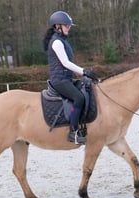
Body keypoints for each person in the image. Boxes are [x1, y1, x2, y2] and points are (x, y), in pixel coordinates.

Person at [43, 11, 98, 145]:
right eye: (67, 26)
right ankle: (73, 132)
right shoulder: (57, 42)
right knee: (78, 98)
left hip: (65, 79)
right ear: (57, 26)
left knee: (86, 88)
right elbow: (65, 63)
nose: (69, 28)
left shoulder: (62, 41)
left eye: (69, 26)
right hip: (59, 81)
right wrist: (84, 71)